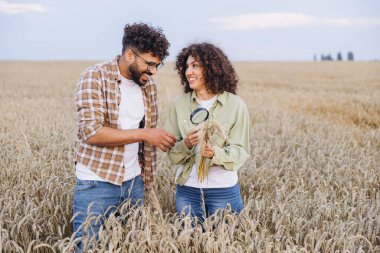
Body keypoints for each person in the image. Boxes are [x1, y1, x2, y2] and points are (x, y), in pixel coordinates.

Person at [73, 23, 176, 247]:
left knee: (131, 246)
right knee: (87, 247)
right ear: (129, 55)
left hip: (134, 183)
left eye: (158, 65)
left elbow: (143, 134)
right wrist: (146, 134)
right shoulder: (95, 77)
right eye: (149, 63)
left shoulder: (148, 85)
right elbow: (91, 132)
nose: (154, 71)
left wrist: (144, 174)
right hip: (96, 183)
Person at [165, 43, 250, 223]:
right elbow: (171, 154)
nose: (188, 72)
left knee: (226, 243)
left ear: (212, 68)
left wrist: (215, 154)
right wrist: (186, 144)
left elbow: (241, 151)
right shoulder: (178, 105)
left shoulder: (236, 105)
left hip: (223, 191)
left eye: (195, 65)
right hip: (188, 191)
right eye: (186, 66)